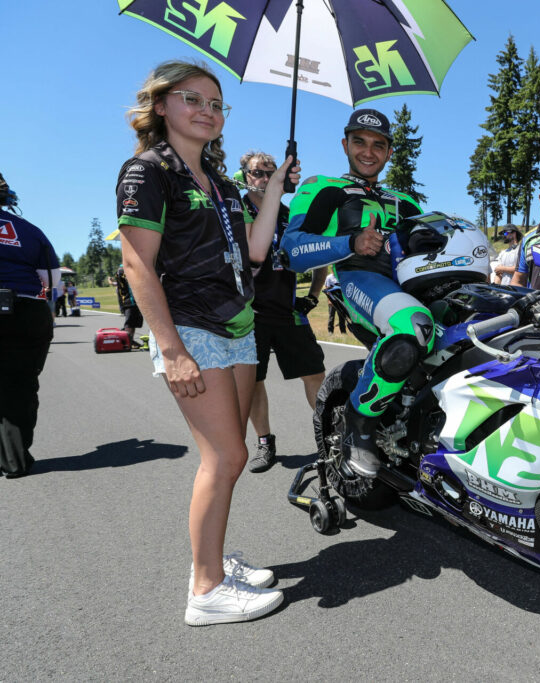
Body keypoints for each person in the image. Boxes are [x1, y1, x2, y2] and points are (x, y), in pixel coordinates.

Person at [115, 60, 300, 626]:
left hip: (236, 326)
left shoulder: (219, 182)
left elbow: (256, 252)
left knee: (227, 456)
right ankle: (205, 589)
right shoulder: (147, 171)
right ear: (162, 105)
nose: (207, 111)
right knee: (226, 456)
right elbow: (135, 263)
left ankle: (215, 562)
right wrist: (170, 348)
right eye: (193, 99)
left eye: (217, 104)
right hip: (191, 329)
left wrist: (275, 186)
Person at [281, 108, 426, 479]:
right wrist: (351, 242)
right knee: (412, 326)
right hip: (361, 281)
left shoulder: (408, 202)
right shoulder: (324, 187)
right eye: (359, 142)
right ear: (345, 144)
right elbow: (292, 250)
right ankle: (358, 428)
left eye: (379, 145)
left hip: (413, 284)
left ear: (389, 152)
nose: (368, 151)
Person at [238, 150, 327, 473]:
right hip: (249, 314)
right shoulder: (235, 212)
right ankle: (264, 441)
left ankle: (329, 439)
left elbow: (320, 256)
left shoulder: (291, 216)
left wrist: (313, 297)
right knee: (254, 380)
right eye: (257, 173)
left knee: (315, 374)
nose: (263, 178)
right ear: (245, 176)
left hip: (288, 311)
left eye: (269, 172)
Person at [0, 172, 60, 478]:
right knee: (20, 384)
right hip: (26, 309)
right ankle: (15, 458)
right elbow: (52, 279)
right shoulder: (28, 229)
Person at [109, 265, 144, 349]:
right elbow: (131, 280)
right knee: (129, 322)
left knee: (134, 322)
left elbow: (118, 283)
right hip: (128, 300)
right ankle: (126, 340)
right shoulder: (122, 270)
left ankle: (130, 340)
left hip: (131, 300)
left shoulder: (123, 270)